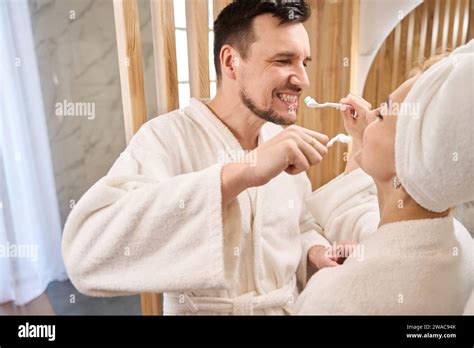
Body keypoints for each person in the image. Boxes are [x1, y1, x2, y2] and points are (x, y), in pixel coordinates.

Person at [62, 0, 346, 315]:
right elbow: (85, 256)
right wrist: (238, 175)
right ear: (231, 62)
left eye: (304, 62)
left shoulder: (280, 143)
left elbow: (299, 224)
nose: (302, 79)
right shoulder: (165, 138)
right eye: (284, 60)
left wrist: (314, 252)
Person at [294, 40, 474, 314]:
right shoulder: (460, 244)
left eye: (382, 112)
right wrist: (360, 139)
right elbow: (358, 213)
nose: (370, 114)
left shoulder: (334, 299)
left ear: (408, 162)